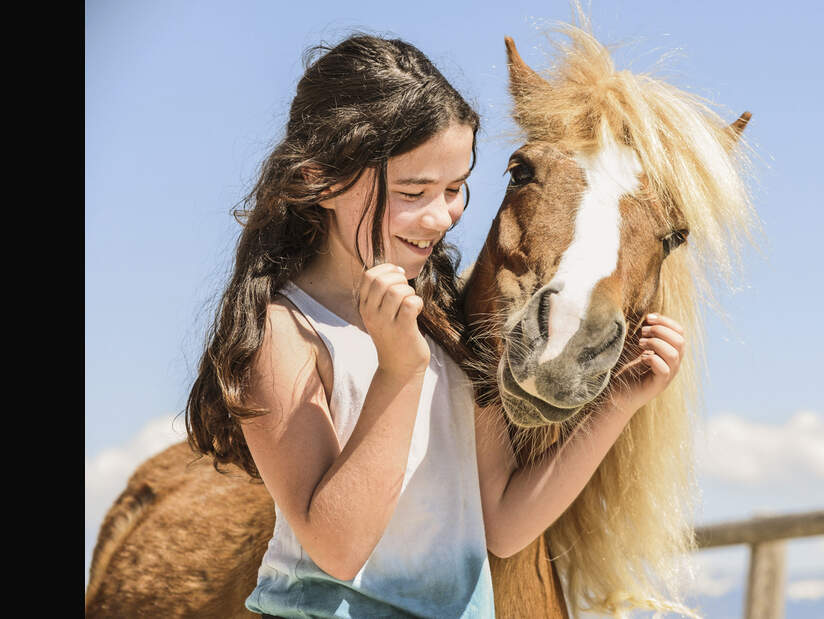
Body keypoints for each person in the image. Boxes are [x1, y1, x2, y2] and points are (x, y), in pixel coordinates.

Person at [185, 32, 685, 618]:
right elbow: (337, 549)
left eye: (455, 188)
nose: (439, 215)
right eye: (412, 190)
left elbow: (502, 524)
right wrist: (399, 369)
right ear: (320, 179)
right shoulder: (285, 333)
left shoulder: (448, 328)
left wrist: (619, 403)